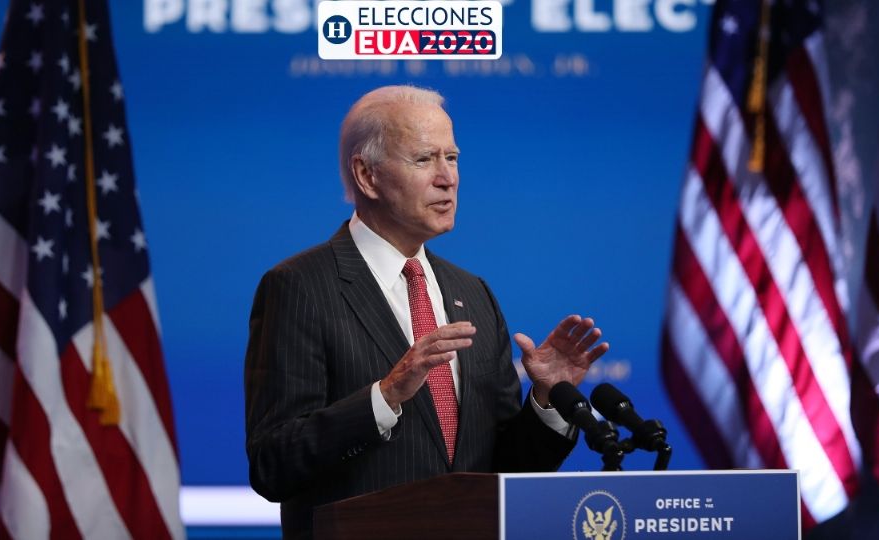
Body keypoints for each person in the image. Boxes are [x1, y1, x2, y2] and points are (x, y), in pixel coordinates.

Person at [244, 85, 609, 538]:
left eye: (452, 158)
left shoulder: (472, 292)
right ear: (367, 176)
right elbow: (272, 463)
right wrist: (386, 395)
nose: (448, 178)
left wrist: (547, 401)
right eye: (424, 159)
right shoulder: (300, 286)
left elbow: (501, 468)